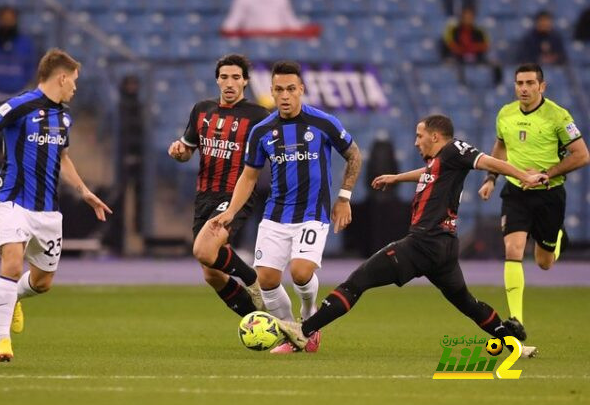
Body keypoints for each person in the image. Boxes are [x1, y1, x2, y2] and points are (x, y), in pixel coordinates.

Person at [272, 114, 547, 358]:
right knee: (466, 302)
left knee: (356, 283)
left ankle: (303, 332)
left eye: (420, 136)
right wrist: (396, 177)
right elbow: (428, 173)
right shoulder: (442, 161)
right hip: (444, 247)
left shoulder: (454, 149)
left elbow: (488, 161)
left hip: (423, 243)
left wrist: (525, 175)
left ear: (436, 136)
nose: (416, 142)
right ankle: (513, 346)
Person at [0, 48, 112, 362]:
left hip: (47, 210)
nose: (76, 87)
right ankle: (3, 343)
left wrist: (83, 190)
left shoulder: (64, 117)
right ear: (61, 77)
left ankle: (12, 297)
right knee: (13, 266)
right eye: (74, 80)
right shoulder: (19, 105)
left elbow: (63, 158)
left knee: (42, 282)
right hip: (11, 200)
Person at [208, 60, 362, 354]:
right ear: (272, 92)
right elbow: (249, 176)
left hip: (312, 214)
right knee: (266, 280)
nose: (285, 95)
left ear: (301, 89)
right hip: (276, 215)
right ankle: (293, 334)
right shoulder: (262, 130)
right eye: (279, 90)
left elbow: (354, 155)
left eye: (291, 89)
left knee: (301, 273)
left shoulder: (323, 122)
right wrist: (229, 212)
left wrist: (344, 197)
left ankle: (309, 318)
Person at [478, 63, 589, 344]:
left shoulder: (558, 116)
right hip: (515, 191)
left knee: (544, 263)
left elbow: (581, 155)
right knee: (513, 248)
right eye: (519, 83)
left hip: (549, 194)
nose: (524, 89)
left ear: (542, 86)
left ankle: (557, 239)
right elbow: (500, 146)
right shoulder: (506, 113)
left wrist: (546, 174)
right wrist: (491, 177)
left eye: (530, 83)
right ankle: (516, 320)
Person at [168, 54, 269, 318]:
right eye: (224, 77)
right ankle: (258, 319)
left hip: (235, 195)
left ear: (245, 81)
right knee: (211, 273)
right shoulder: (202, 110)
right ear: (217, 80)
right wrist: (179, 152)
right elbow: (187, 150)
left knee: (203, 249)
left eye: (236, 77)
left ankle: (250, 279)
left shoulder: (258, 115)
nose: (229, 83)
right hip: (204, 196)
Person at [222, 0, 319, 38]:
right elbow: (231, 24)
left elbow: (291, 23)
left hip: (279, 43)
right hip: (253, 43)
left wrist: (307, 29)